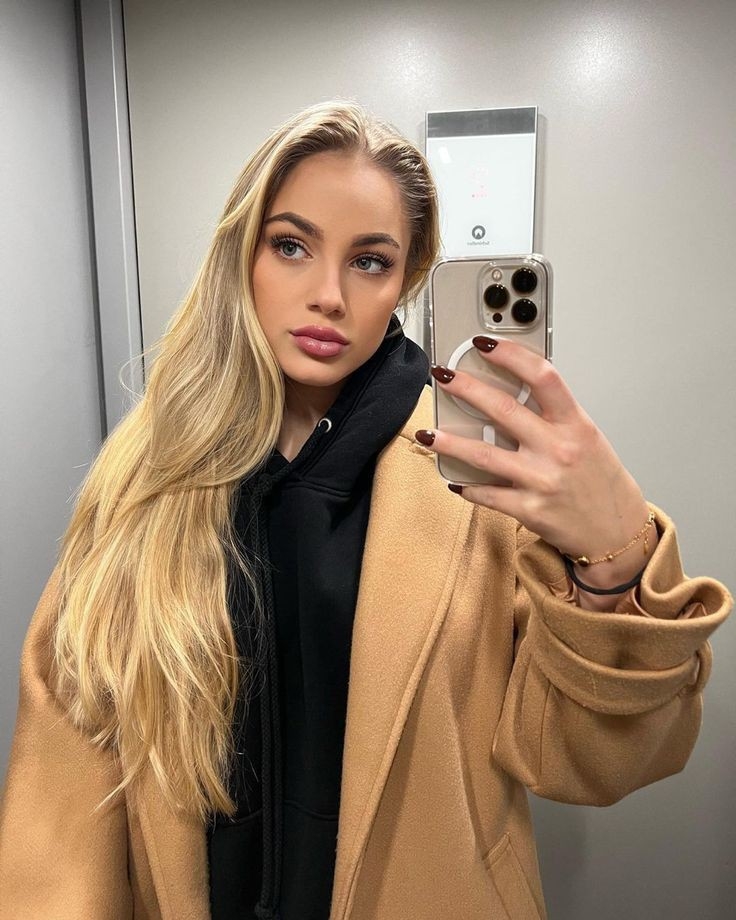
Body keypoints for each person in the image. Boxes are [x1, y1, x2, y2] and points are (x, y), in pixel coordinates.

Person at [0, 101, 730, 920]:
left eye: (370, 261)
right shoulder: (147, 479)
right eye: (291, 246)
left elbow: (591, 764)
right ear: (242, 253)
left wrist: (613, 558)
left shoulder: (479, 479)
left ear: (408, 280)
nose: (328, 296)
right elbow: (64, 803)